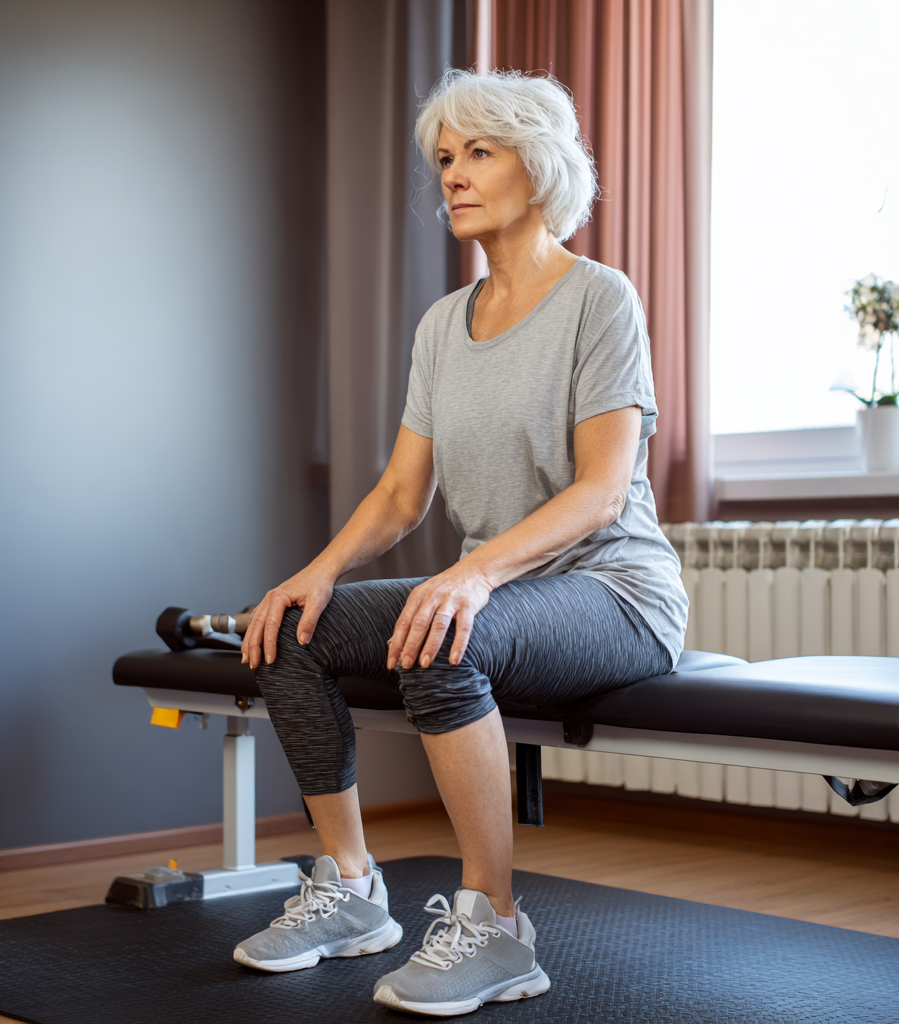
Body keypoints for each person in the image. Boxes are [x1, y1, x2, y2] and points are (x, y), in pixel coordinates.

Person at [232, 67, 688, 1017]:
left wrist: (471, 574)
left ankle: (497, 926)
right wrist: (311, 576)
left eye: (480, 152)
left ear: (542, 165)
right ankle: (353, 889)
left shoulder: (600, 300)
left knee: (446, 632)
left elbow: (605, 494)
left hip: (616, 594)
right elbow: (404, 492)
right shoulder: (445, 323)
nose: (454, 174)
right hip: (496, 592)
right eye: (445, 158)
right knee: (289, 632)